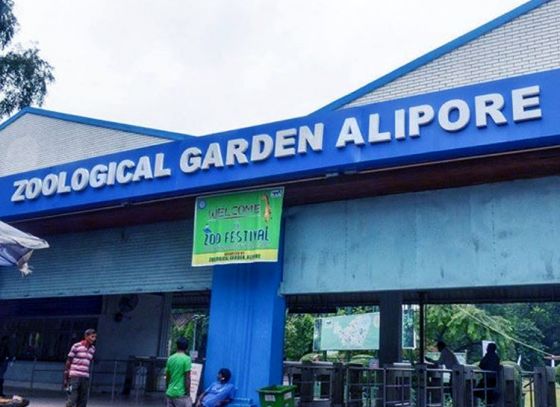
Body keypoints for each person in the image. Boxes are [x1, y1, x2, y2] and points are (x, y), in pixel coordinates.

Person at [63, 328, 97, 407]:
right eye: (92, 337)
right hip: (74, 377)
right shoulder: (76, 346)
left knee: (83, 401)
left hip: (85, 378)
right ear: (86, 336)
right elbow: (69, 361)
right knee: (72, 399)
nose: (94, 339)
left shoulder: (93, 349)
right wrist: (66, 377)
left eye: (95, 337)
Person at [166, 337, 192, 407]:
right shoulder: (187, 359)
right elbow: (187, 378)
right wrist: (188, 393)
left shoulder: (170, 358)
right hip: (181, 394)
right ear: (186, 347)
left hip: (170, 392)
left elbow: (168, 376)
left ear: (176, 346)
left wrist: (168, 388)